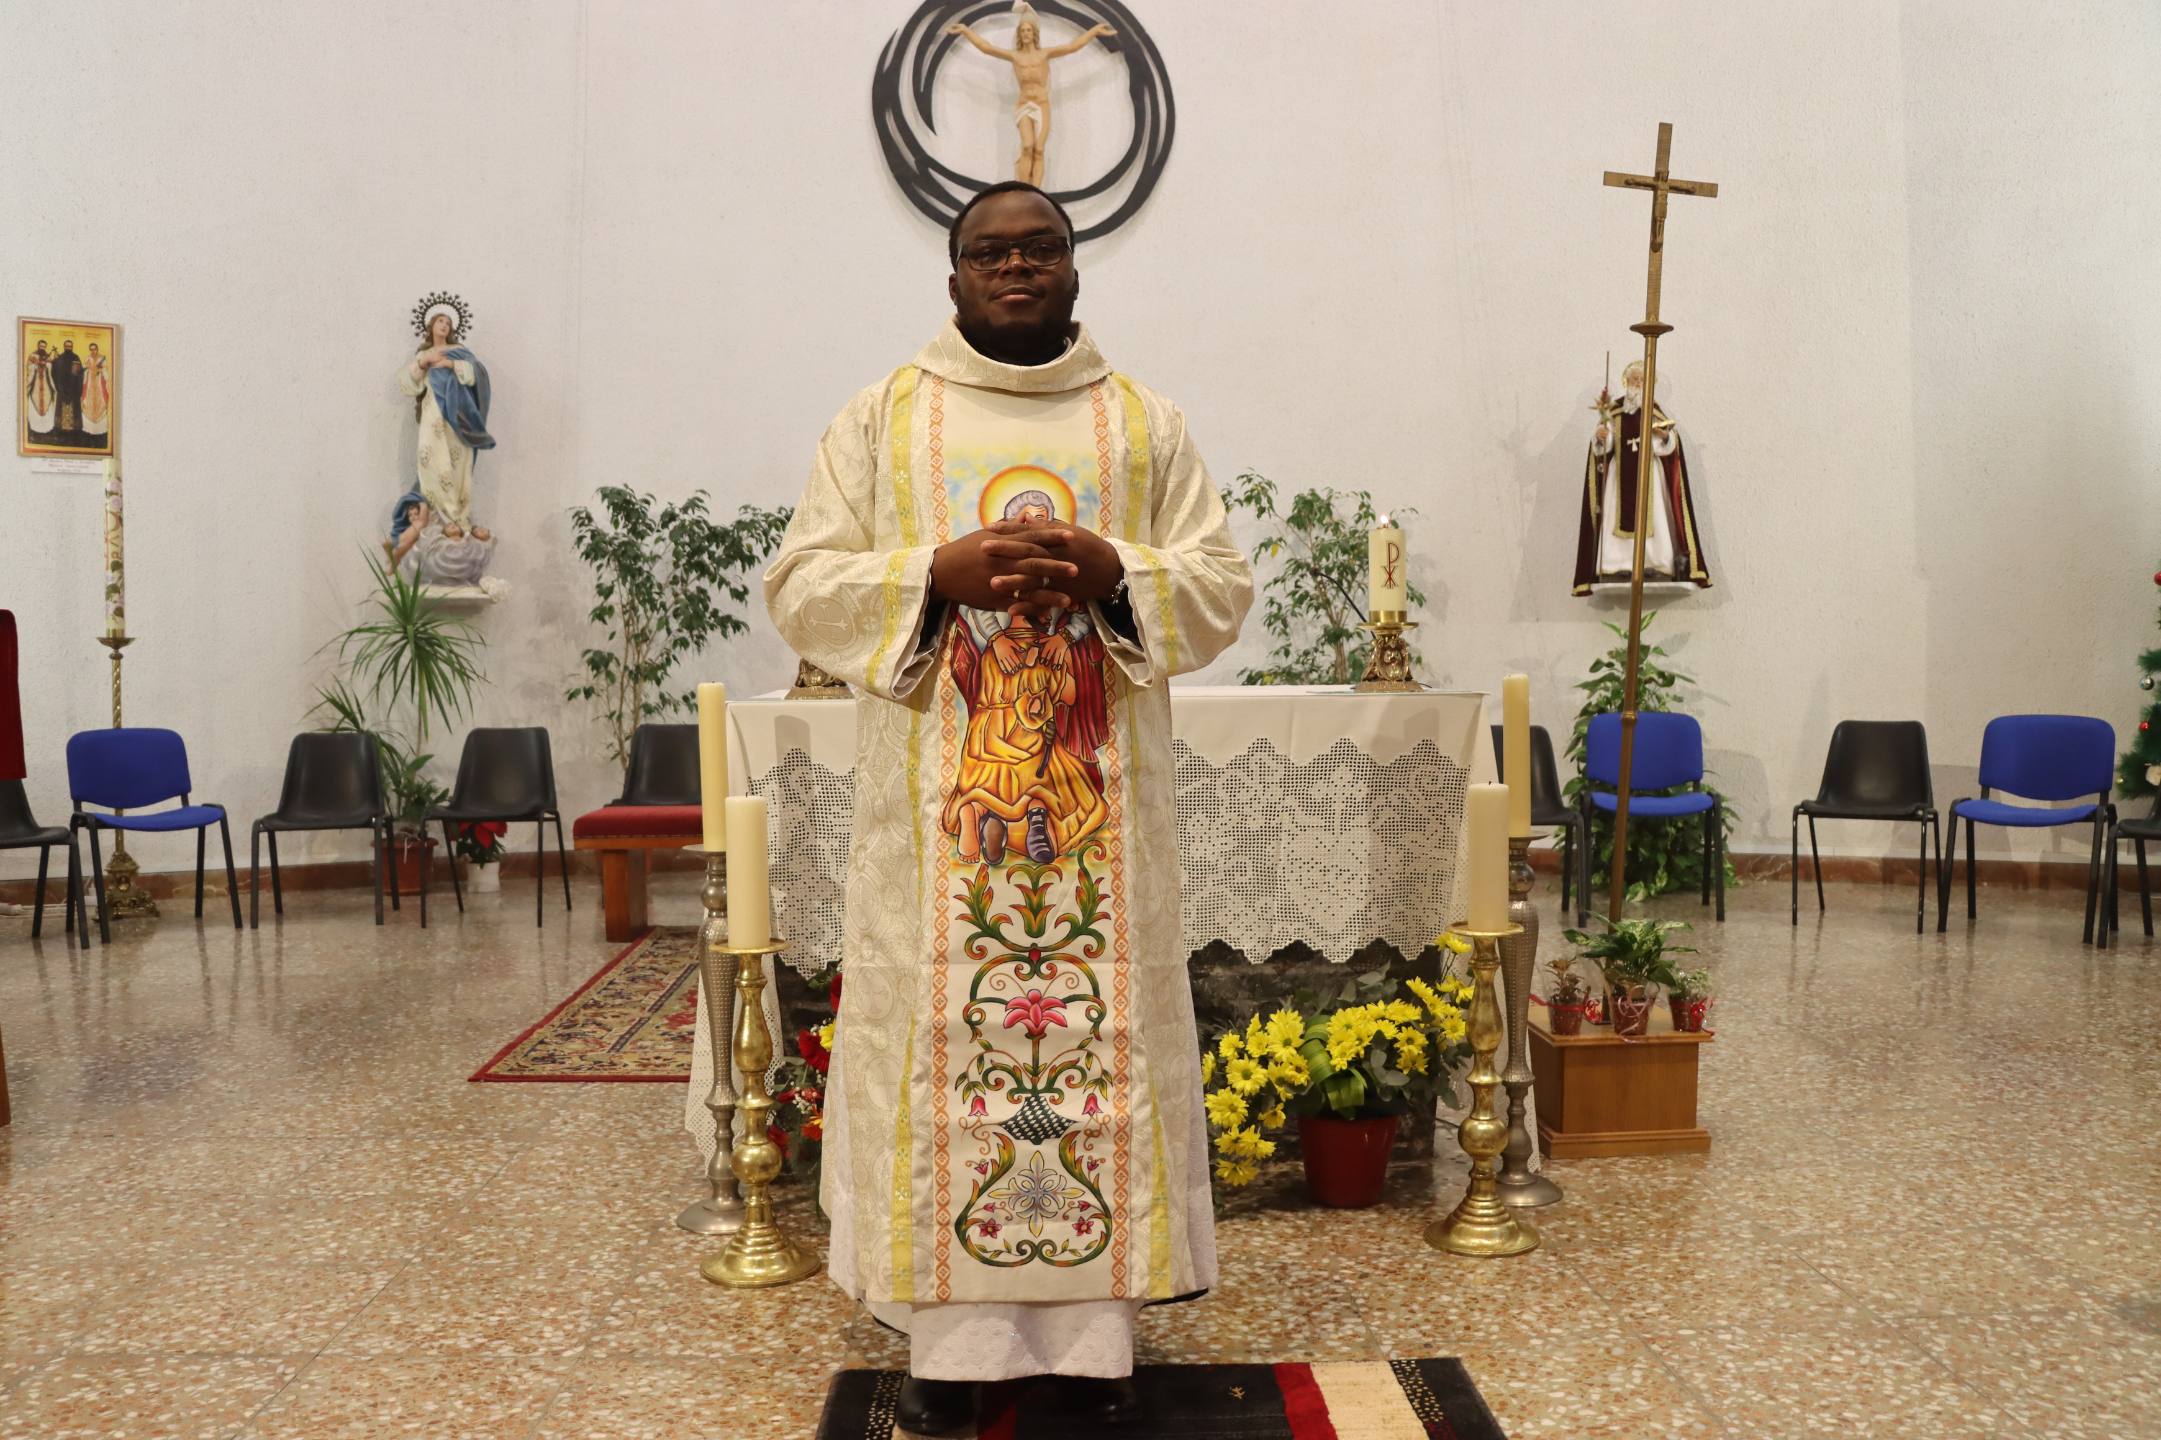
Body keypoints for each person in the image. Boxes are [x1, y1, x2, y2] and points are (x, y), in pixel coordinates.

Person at [765, 181, 1252, 1435]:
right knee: (948, 1069)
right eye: (991, 251)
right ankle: (952, 1352)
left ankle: (1093, 1352)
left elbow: (1218, 580)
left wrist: (1114, 569)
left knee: (1095, 1072)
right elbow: (801, 582)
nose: (1017, 266)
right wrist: (931, 574)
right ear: (954, 277)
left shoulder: (1142, 424)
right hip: (943, 829)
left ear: (1076, 269)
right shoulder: (882, 418)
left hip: (1097, 823)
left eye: (1041, 248)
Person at [1572, 359, 1711, 595]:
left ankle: (1653, 564)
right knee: (1615, 514)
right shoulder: (1614, 411)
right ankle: (1618, 565)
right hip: (1619, 477)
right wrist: (1601, 436)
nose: (1638, 382)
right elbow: (1603, 447)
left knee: (1653, 516)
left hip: (1649, 476)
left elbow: (1669, 444)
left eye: (1642, 379)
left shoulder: (1654, 412)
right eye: (1635, 379)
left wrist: (1664, 436)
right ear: (1627, 382)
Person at [946, 2, 1116, 187]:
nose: (1026, 33)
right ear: (1019, 34)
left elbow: (1072, 46)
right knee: (1027, 147)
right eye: (1023, 30)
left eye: (1028, 30)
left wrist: (1094, 31)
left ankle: (1037, 191)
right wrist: (965, 30)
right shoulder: (1015, 56)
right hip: (1023, 105)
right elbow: (987, 48)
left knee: (1039, 149)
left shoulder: (1044, 54)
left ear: (1034, 33)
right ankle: (1024, 189)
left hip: (1041, 104)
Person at [397, 307, 493, 529]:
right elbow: (406, 383)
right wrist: (425, 361)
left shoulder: (459, 351)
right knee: (431, 459)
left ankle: (456, 516)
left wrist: (451, 364)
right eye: (441, 321)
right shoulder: (424, 355)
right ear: (431, 326)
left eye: (448, 323)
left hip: (457, 413)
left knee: (457, 460)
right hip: (433, 412)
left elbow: (478, 374)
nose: (445, 326)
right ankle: (435, 514)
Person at [48, 340, 84, 445]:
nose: (68, 348)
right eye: (67, 346)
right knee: (62, 411)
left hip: (74, 389)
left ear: (72, 347)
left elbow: (80, 373)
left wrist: (80, 374)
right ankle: (61, 433)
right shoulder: (59, 358)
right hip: (62, 389)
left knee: (74, 411)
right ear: (64, 347)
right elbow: (54, 373)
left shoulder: (76, 358)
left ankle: (74, 434)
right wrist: (54, 361)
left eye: (70, 346)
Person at [81, 342, 112, 441]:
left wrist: (101, 371)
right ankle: (89, 430)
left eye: (94, 349)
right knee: (88, 405)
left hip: (99, 387)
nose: (93, 351)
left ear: (97, 349)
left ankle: (100, 432)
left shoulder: (102, 358)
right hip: (90, 387)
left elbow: (107, 373)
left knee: (100, 405)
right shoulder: (88, 358)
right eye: (91, 349)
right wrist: (87, 368)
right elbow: (83, 371)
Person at [24, 341, 55, 439]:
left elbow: (51, 367)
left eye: (44, 347)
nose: (42, 348)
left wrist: (46, 364)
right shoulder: (32, 356)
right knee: (35, 402)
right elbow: (28, 367)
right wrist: (36, 365)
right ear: (38, 346)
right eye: (41, 346)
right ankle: (35, 428)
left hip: (46, 385)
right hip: (35, 385)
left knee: (47, 402)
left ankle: (47, 428)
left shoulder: (48, 357)